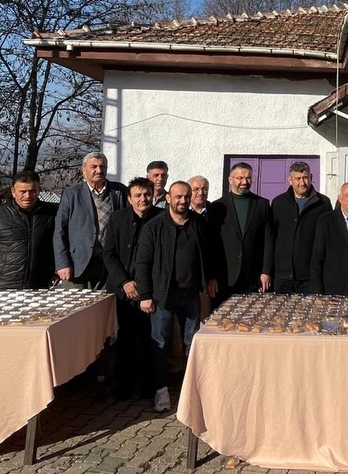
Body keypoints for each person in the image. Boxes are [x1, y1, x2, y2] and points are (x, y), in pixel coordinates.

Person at [135, 181, 217, 413]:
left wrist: (209, 278)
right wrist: (146, 295)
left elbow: (208, 253)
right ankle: (160, 390)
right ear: (169, 197)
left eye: (186, 197)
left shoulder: (198, 223)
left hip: (191, 294)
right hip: (163, 295)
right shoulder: (154, 226)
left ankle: (190, 390)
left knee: (192, 342)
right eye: (178, 196)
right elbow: (143, 263)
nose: (183, 201)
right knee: (160, 343)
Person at [101, 176, 161, 399]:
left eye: (146, 194)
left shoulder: (160, 219)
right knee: (121, 339)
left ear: (153, 196)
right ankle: (116, 388)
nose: (143, 199)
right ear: (129, 199)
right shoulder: (117, 219)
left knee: (146, 340)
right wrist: (125, 282)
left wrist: (144, 287)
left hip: (148, 291)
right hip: (121, 288)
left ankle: (143, 388)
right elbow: (109, 253)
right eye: (137, 195)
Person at [0, 171, 58, 290]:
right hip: (5, 286)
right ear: (13, 192)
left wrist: (57, 270)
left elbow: (62, 245)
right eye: (22, 192)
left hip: (41, 285)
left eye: (32, 191)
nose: (28, 196)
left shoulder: (52, 213)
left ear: (39, 190)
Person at [54, 152, 128, 290]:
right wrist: (63, 263)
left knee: (105, 307)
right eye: (94, 166)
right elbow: (60, 230)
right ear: (84, 170)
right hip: (78, 264)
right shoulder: (71, 194)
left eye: (102, 166)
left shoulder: (119, 191)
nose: (99, 170)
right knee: (76, 308)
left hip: (109, 265)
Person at [207, 161, 272, 302]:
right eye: (240, 178)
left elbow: (268, 240)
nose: (244, 181)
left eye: (248, 178)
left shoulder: (262, 204)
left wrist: (266, 271)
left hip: (253, 275)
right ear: (230, 180)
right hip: (225, 275)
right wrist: (211, 276)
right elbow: (212, 244)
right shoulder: (217, 206)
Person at [266, 161, 332, 294]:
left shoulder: (323, 203)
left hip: (310, 276)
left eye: (305, 178)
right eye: (298, 179)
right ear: (290, 180)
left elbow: (329, 239)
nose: (302, 183)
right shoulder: (279, 203)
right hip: (282, 276)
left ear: (311, 177)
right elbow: (270, 238)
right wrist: (267, 270)